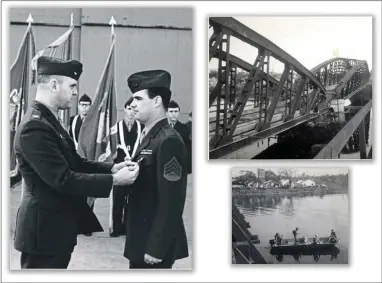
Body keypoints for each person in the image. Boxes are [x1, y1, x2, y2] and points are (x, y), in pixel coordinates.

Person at [13, 56, 139, 269]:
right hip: (44, 234)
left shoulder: (49, 121)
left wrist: (111, 167)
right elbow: (62, 178)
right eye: (72, 86)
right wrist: (114, 181)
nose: (75, 92)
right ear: (54, 85)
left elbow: (75, 162)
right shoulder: (35, 127)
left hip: (55, 229)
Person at [124, 69, 188, 269]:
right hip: (141, 236)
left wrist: (157, 247)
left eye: (138, 98)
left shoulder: (168, 141)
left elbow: (172, 201)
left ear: (157, 101)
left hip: (152, 246)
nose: (132, 104)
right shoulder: (150, 135)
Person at [110, 97, 143, 237]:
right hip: (120, 168)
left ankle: (129, 228)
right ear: (124, 109)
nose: (131, 112)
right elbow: (110, 149)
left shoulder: (141, 128)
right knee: (118, 199)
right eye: (129, 109)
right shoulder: (115, 128)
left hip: (135, 168)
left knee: (132, 201)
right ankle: (117, 227)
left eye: (134, 109)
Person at [68, 93, 94, 236]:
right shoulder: (72, 120)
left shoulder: (94, 123)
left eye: (87, 105)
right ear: (78, 106)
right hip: (75, 160)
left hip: (88, 160)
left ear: (91, 107)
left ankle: (87, 225)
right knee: (76, 193)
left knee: (89, 193)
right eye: (82, 105)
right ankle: (76, 223)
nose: (84, 108)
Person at [166, 100, 192, 174]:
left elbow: (188, 149)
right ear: (166, 113)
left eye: (176, 111)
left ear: (179, 113)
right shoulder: (160, 127)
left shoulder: (184, 129)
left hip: (178, 165)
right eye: (171, 111)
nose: (174, 114)